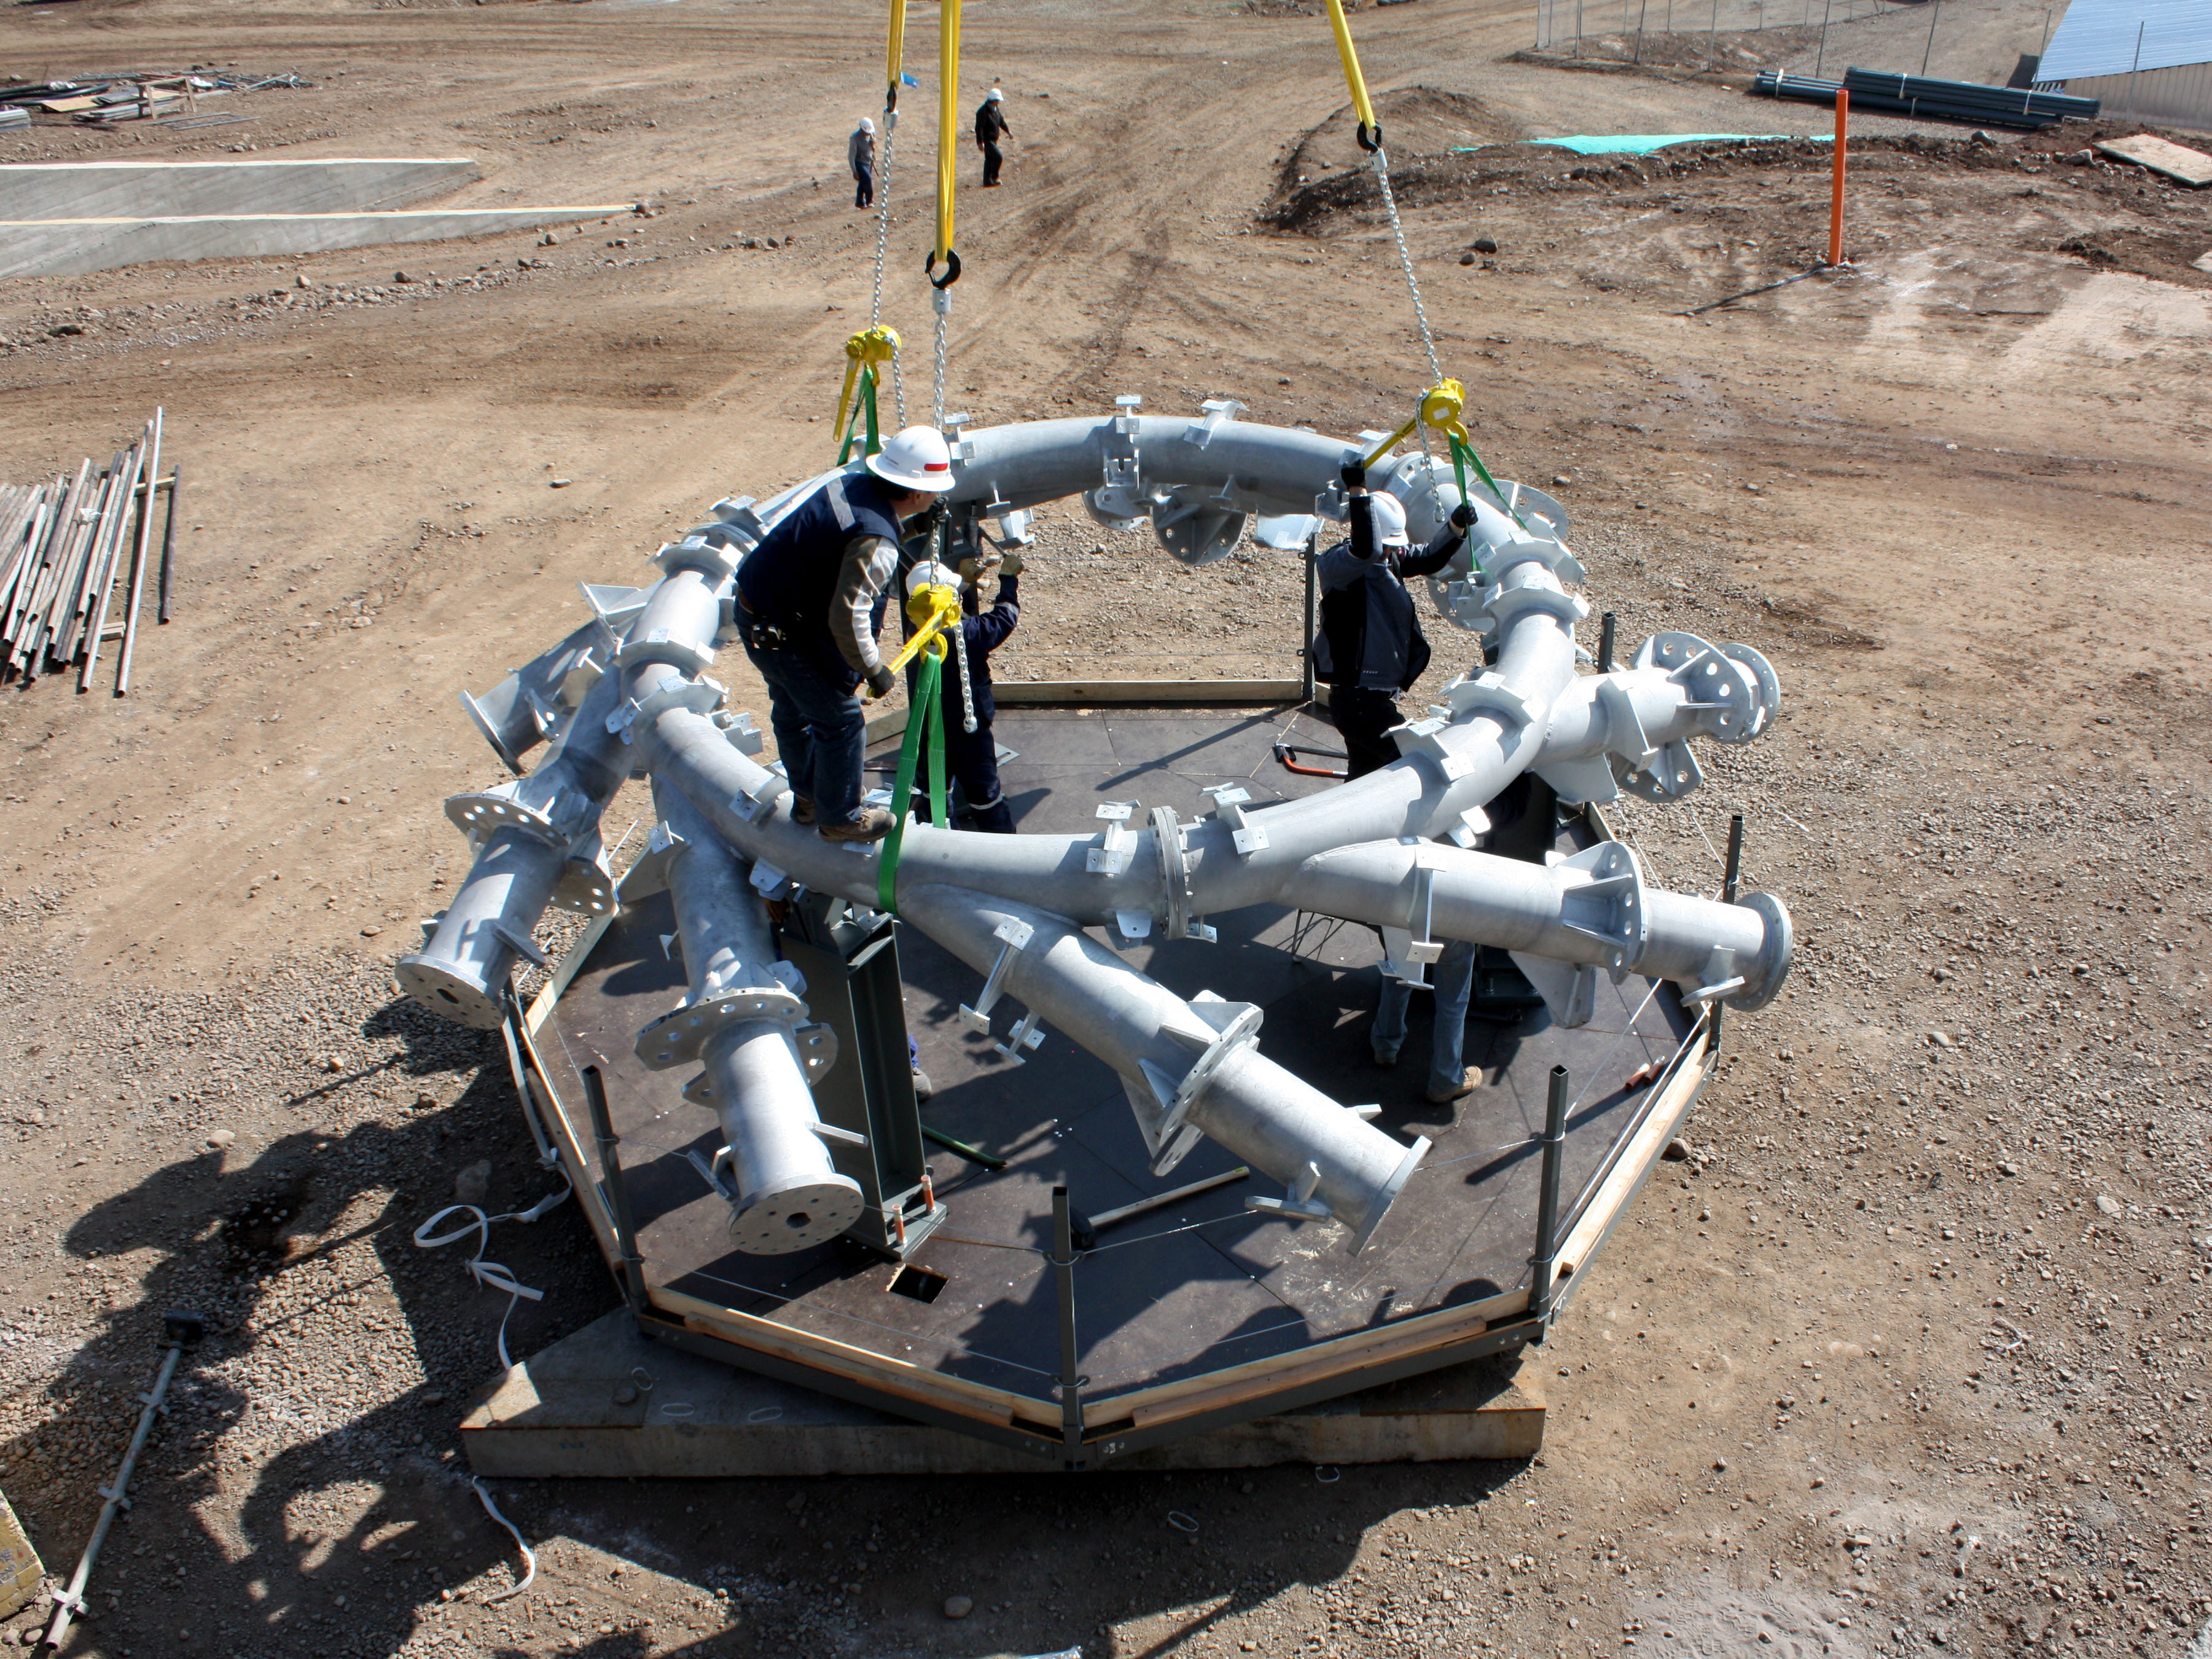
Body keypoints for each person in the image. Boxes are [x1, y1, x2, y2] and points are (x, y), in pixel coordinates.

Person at [735, 426, 954, 843]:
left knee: (793, 711)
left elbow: (835, 541)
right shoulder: (877, 541)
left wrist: (905, 524)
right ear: (915, 494)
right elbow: (849, 615)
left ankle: (809, 799)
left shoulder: (849, 485)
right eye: (932, 491)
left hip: (760, 615)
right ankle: (840, 819)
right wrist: (873, 668)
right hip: (788, 633)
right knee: (842, 722)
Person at [1371, 772, 1557, 1104]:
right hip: (1452, 898)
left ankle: (1385, 1046)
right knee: (1453, 997)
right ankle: (1445, 1079)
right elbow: (1511, 808)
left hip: (1401, 889)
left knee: (1398, 968)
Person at [1311, 463, 1474, 778]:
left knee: (1365, 775)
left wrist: (1455, 527)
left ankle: (1355, 824)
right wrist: (1358, 491)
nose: (1392, 552)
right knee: (1417, 764)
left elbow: (1428, 557)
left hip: (1367, 700)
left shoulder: (1389, 559)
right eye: (1388, 545)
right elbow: (1365, 549)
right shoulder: (1340, 566)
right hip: (1358, 701)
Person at [902, 554, 1022, 834]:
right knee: (985, 797)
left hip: (930, 729)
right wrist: (1008, 580)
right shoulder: (966, 634)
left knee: (934, 795)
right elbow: (1004, 618)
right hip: (969, 732)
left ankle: (937, 845)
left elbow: (950, 613)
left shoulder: (917, 629)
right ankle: (1002, 846)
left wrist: (965, 583)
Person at [974, 87, 1011, 187]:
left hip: (994, 140)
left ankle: (987, 181)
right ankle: (994, 177)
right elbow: (979, 128)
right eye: (998, 101)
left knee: (989, 160)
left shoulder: (996, 110)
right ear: (994, 101)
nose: (999, 103)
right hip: (988, 140)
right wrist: (980, 142)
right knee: (998, 157)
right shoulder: (982, 112)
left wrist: (1008, 131)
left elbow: (1001, 122)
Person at [848, 116, 876, 209]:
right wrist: (854, 171)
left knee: (863, 182)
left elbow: (871, 147)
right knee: (868, 178)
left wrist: (873, 144)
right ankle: (869, 201)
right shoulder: (854, 138)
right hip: (859, 162)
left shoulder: (871, 134)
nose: (868, 133)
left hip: (868, 162)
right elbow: (851, 155)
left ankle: (859, 202)